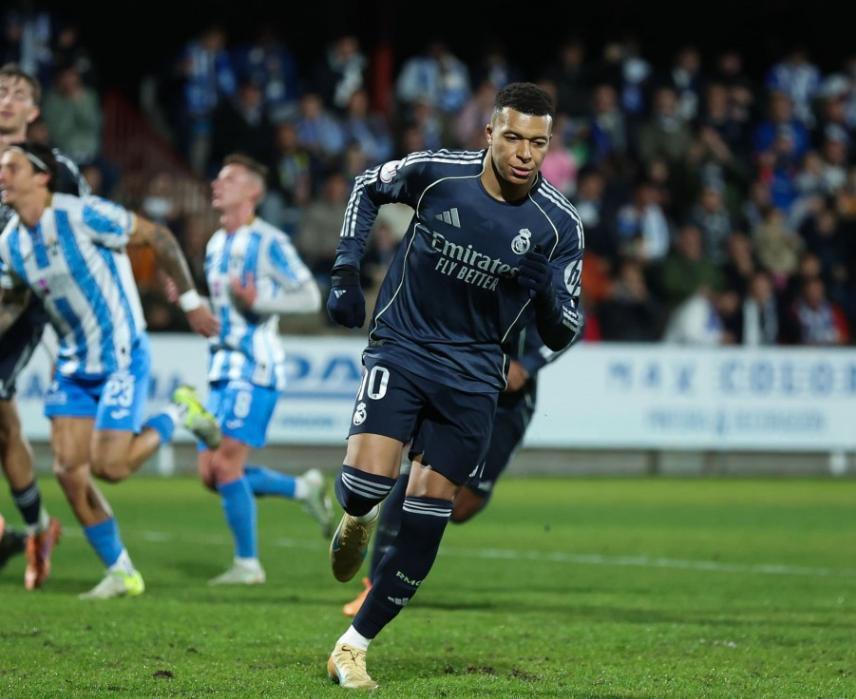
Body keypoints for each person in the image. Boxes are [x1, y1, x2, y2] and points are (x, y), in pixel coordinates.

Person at [323, 82, 583, 688]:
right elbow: (366, 186)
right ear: (489, 133)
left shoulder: (560, 226)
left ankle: (353, 646)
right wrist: (345, 271)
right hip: (405, 348)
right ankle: (358, 515)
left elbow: (566, 326)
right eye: (513, 137)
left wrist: (549, 298)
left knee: (426, 522)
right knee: (364, 485)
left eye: (538, 143)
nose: (524, 153)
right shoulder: (438, 173)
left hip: (473, 377)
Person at [0, 141, 220, 598]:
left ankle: (180, 411)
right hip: (72, 364)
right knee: (68, 470)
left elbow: (159, 237)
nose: (2, 176)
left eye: (12, 168)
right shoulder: (11, 243)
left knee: (111, 467)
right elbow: (13, 302)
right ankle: (121, 572)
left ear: (42, 177)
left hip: (120, 354)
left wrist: (191, 301)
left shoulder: (82, 214)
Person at [341, 318, 569, 616]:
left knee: (461, 507)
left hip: (507, 405)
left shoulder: (532, 287)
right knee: (417, 478)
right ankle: (376, 583)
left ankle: (390, 539)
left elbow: (573, 321)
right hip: (453, 383)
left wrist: (527, 364)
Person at [176, 153, 331, 585]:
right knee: (212, 474)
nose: (217, 184)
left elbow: (309, 296)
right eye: (218, 178)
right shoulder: (216, 244)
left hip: (255, 366)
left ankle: (248, 565)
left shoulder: (268, 241)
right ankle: (302, 489)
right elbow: (224, 311)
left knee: (226, 466)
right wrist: (191, 304)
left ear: (253, 192)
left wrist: (260, 301)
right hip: (221, 366)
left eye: (229, 180)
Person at [0, 62, 89, 590]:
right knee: (6, 426)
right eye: (1, 91)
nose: (7, 99)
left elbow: (86, 230)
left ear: (34, 110)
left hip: (20, 308)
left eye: (18, 93)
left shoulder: (53, 168)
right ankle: (36, 530)